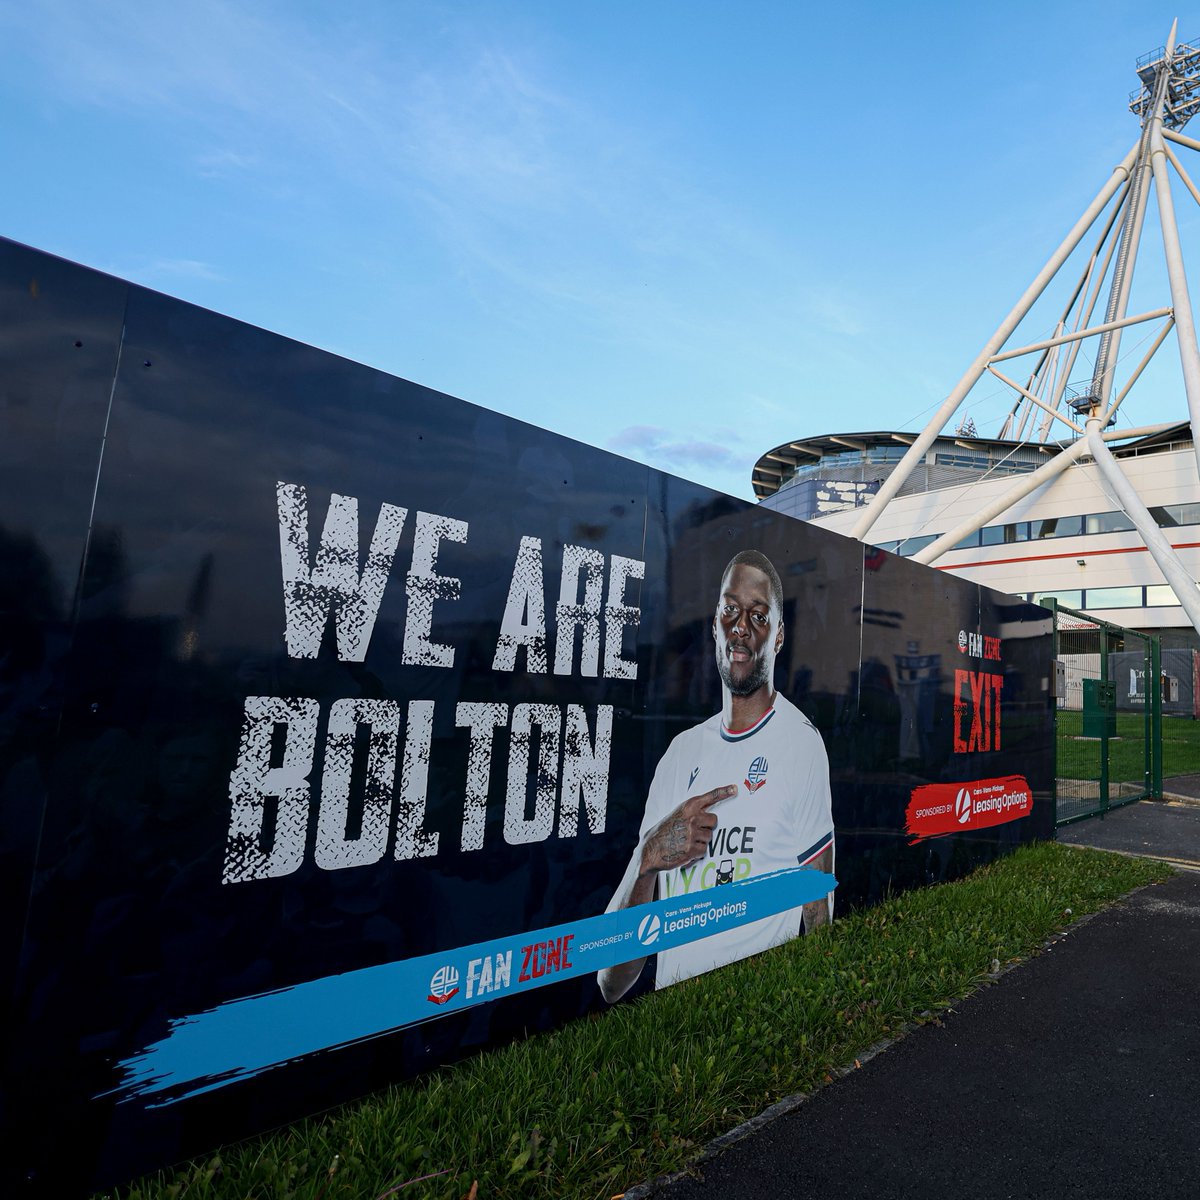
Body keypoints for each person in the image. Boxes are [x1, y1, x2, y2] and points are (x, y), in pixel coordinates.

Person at [598, 549, 834, 1003]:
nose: (741, 626)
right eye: (730, 610)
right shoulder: (678, 755)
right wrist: (649, 857)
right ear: (714, 624)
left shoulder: (800, 744)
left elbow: (818, 910)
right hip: (678, 1044)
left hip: (758, 1030)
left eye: (759, 616)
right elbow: (611, 982)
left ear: (779, 636)